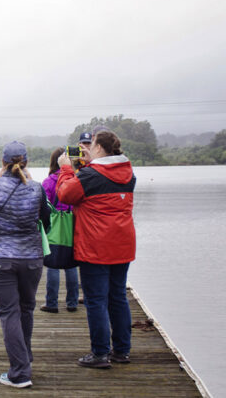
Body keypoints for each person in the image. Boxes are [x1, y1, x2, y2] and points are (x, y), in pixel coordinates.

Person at [0, 141, 51, 389]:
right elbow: (46, 224)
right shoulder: (38, 189)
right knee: (26, 310)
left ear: (3, 162)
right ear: (26, 162)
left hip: (0, 259)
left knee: (9, 313)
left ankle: (20, 372)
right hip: (31, 259)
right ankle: (24, 360)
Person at [56, 130, 136, 369]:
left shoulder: (91, 175)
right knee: (118, 297)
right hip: (122, 243)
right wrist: (86, 165)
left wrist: (66, 169)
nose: (88, 148)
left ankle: (100, 353)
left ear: (99, 147)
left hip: (95, 246)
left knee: (96, 300)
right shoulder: (129, 173)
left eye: (92, 145)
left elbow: (65, 194)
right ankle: (121, 351)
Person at [40, 147, 80, 313]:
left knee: (53, 265)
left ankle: (52, 303)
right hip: (72, 224)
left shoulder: (48, 182)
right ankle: (72, 303)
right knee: (71, 264)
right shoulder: (74, 179)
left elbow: (43, 205)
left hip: (54, 225)